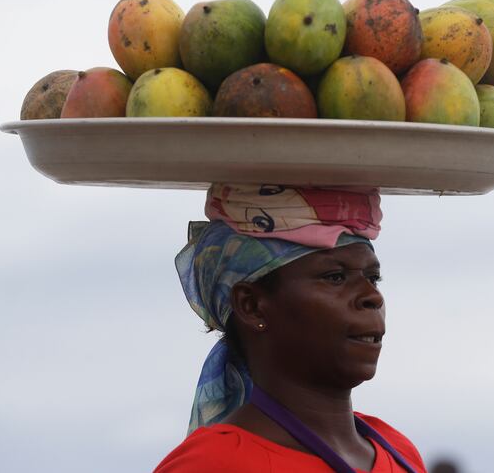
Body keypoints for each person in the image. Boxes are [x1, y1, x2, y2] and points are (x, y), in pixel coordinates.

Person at [155, 184, 427, 473]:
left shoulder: (397, 449)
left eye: (373, 278)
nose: (372, 297)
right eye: (335, 277)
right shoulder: (213, 464)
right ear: (252, 305)